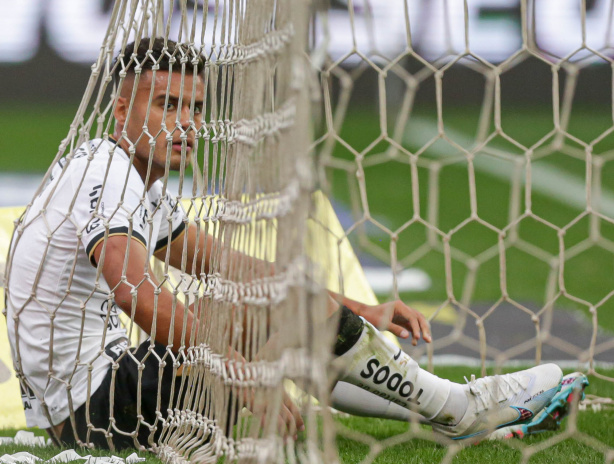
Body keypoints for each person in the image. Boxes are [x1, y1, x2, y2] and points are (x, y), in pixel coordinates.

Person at [4, 37, 564, 451]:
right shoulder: (109, 173)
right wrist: (241, 376)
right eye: (166, 105)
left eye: (195, 108)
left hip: (104, 393)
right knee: (267, 310)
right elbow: (135, 294)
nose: (186, 124)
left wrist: (357, 309)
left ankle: (448, 408)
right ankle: (459, 409)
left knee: (280, 298)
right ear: (122, 110)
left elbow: (229, 263)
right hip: (92, 413)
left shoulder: (133, 180)